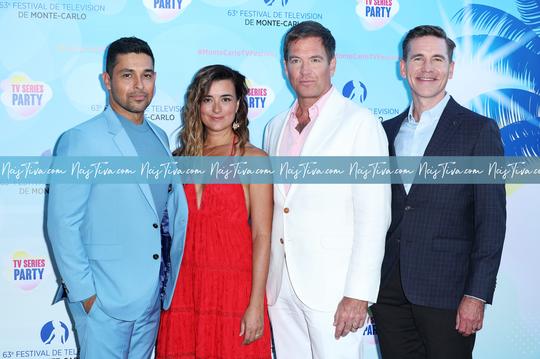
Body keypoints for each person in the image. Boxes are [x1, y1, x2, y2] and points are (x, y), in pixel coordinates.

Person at [47, 37, 188, 358]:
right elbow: (62, 224)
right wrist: (86, 296)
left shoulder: (160, 136)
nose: (139, 85)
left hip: (152, 297)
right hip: (104, 299)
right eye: (128, 75)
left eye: (147, 75)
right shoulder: (81, 139)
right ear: (107, 81)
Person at [371, 25, 507, 359]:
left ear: (451, 68)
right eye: (418, 58)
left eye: (437, 59)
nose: (427, 68)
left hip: (450, 296)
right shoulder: (381, 132)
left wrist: (476, 295)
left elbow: (491, 222)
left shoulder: (478, 131)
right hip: (389, 294)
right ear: (403, 68)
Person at [263, 21, 391, 358]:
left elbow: (374, 217)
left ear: (332, 64)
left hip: (333, 290)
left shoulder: (360, 123)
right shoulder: (274, 126)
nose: (304, 71)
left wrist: (358, 293)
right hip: (281, 285)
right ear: (284, 65)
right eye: (295, 60)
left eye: (315, 60)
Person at [156, 64, 272, 358]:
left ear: (239, 106)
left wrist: (256, 303)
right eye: (208, 99)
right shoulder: (177, 160)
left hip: (233, 291)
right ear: (197, 105)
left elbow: (262, 235)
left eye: (226, 99)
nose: (217, 108)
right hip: (184, 288)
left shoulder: (253, 159)